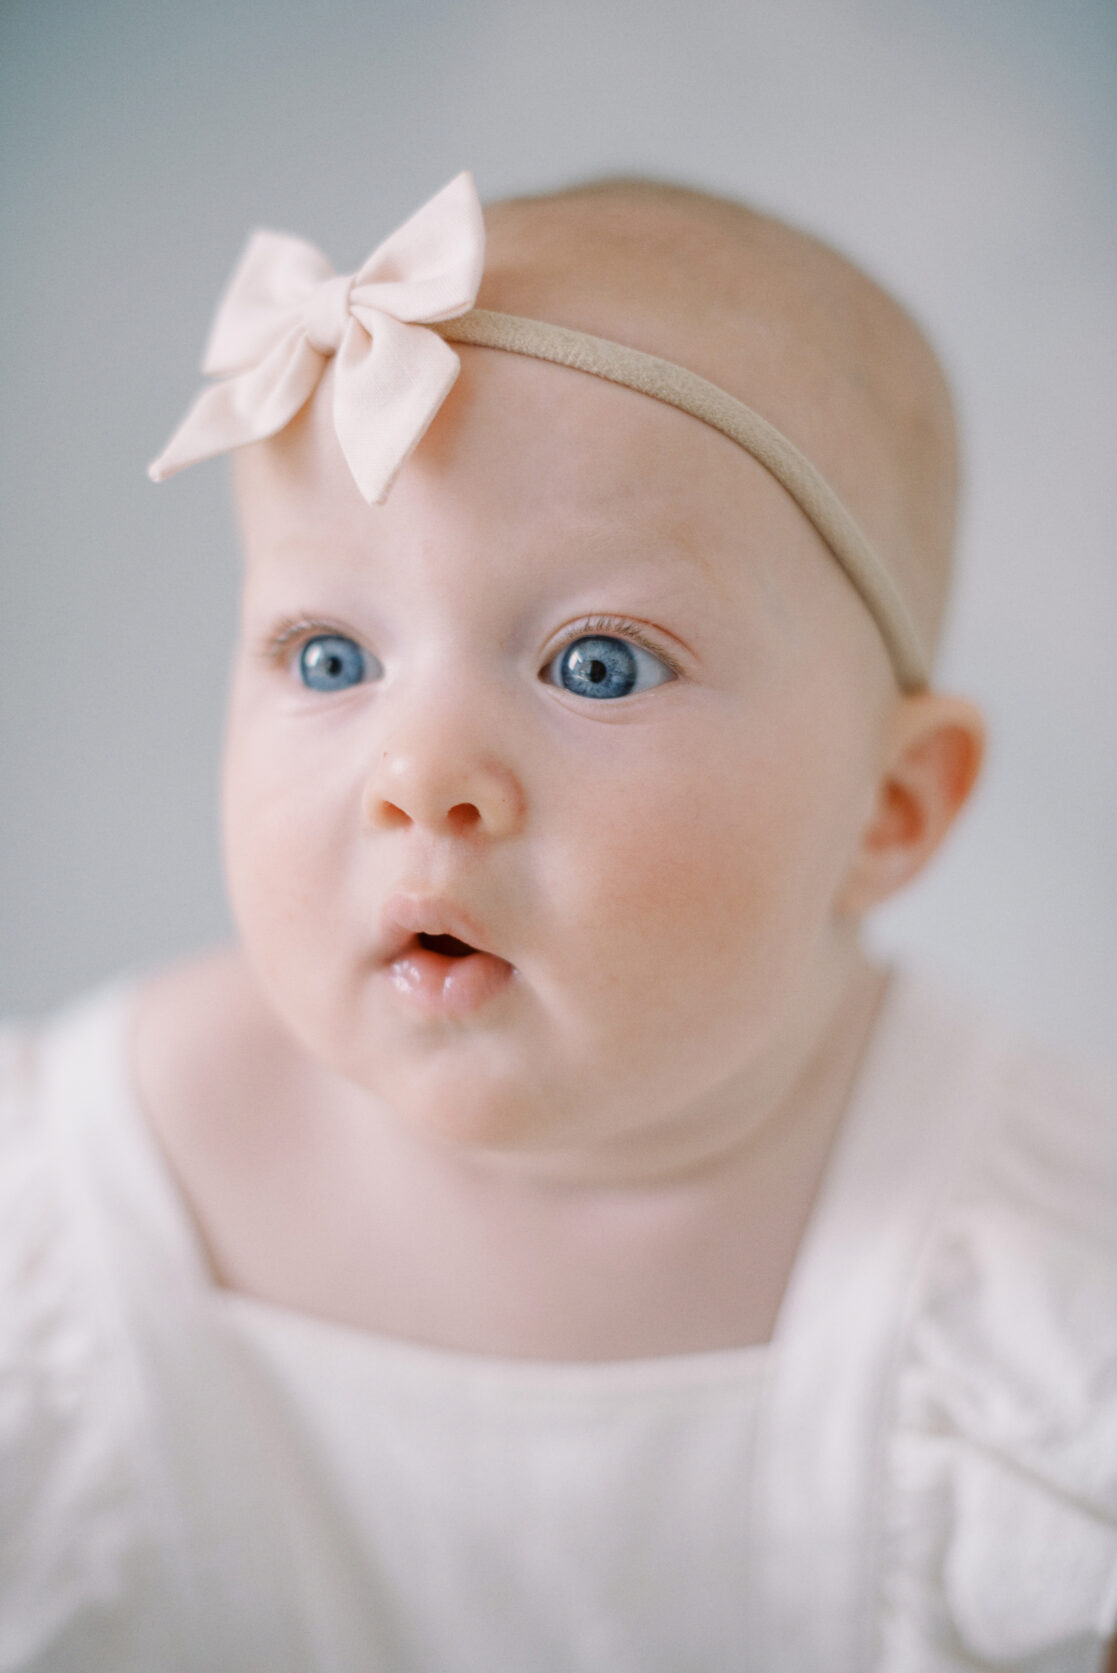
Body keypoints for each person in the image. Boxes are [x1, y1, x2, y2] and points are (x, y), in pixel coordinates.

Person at [2, 171, 1114, 1673]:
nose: (422, 777)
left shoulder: (1029, 1280)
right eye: (330, 656)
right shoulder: (71, 1209)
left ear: (888, 805)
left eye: (596, 665)